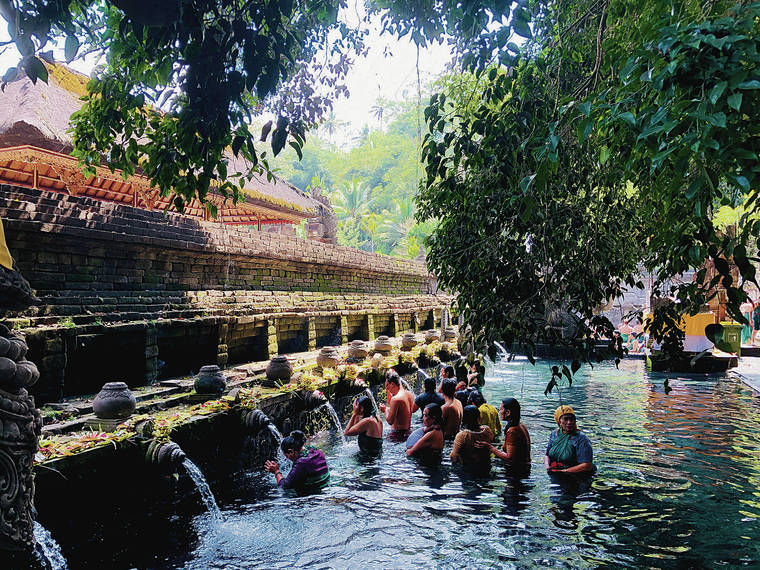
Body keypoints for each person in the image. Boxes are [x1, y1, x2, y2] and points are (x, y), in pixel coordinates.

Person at [265, 430, 329, 494]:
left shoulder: (302, 463)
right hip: (325, 486)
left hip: (314, 494)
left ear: (291, 452)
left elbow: (284, 486)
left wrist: (276, 471)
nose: (287, 458)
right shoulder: (314, 450)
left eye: (286, 455)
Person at [477, 397, 530, 474]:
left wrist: (490, 447)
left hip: (517, 472)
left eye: (501, 409)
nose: (499, 412)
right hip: (525, 468)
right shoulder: (521, 426)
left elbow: (510, 458)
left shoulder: (512, 431)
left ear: (508, 412)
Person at [544, 405, 594, 474]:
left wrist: (564, 471)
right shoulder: (554, 434)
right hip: (555, 472)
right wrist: (547, 466)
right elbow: (547, 455)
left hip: (577, 476)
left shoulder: (581, 439)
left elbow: (587, 465)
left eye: (572, 419)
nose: (569, 422)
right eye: (565, 419)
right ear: (559, 421)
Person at [450, 405, 493, 474]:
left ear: (464, 419)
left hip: (469, 471)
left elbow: (453, 457)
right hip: (486, 467)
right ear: (479, 418)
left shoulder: (463, 435)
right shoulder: (487, 430)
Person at [379, 370, 414, 440]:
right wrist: (388, 390)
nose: (387, 387)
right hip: (408, 431)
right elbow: (391, 404)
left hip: (398, 435)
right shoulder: (409, 394)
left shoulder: (396, 399)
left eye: (387, 385)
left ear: (392, 384)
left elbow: (390, 421)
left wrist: (385, 410)